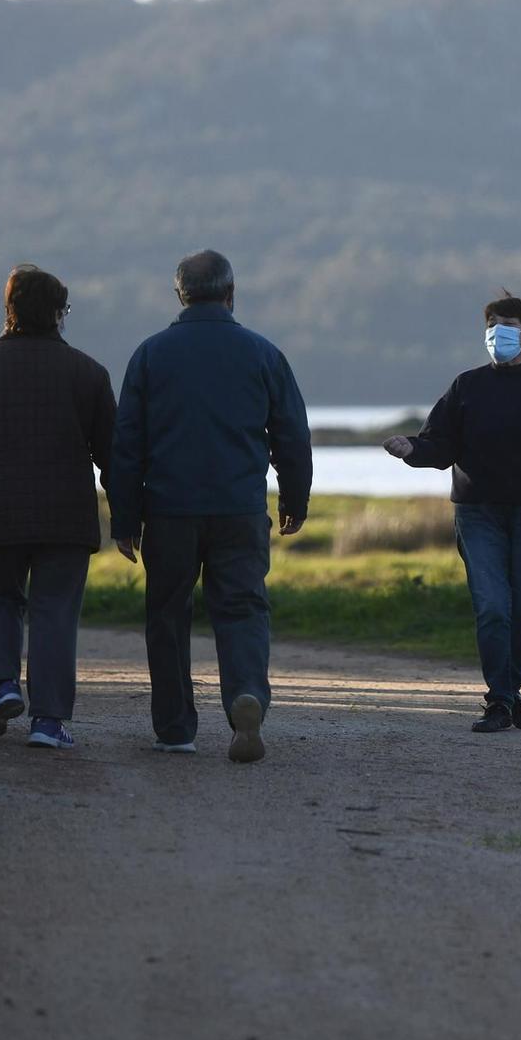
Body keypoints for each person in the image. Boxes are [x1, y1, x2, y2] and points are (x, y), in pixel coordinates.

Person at [109, 250, 312, 763]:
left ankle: (176, 729)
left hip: (169, 510)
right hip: (240, 508)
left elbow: (127, 445)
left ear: (179, 295)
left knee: (167, 614)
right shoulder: (263, 353)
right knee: (242, 607)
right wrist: (294, 499)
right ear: (231, 293)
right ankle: (246, 694)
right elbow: (291, 434)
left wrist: (126, 519)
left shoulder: (150, 355)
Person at [0, 264, 117, 751]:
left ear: (8, 311)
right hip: (67, 520)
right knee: (54, 613)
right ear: (57, 314)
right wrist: (130, 518)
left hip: (0, 514)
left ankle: (4, 686)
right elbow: (115, 456)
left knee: (0, 598)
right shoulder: (89, 373)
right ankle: (49, 723)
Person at [384, 292, 521, 732]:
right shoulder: (467, 386)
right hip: (478, 514)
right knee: (493, 606)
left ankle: (510, 695)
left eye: (507, 326)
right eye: (491, 325)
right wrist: (410, 450)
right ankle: (499, 701)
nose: (496, 334)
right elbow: (439, 444)